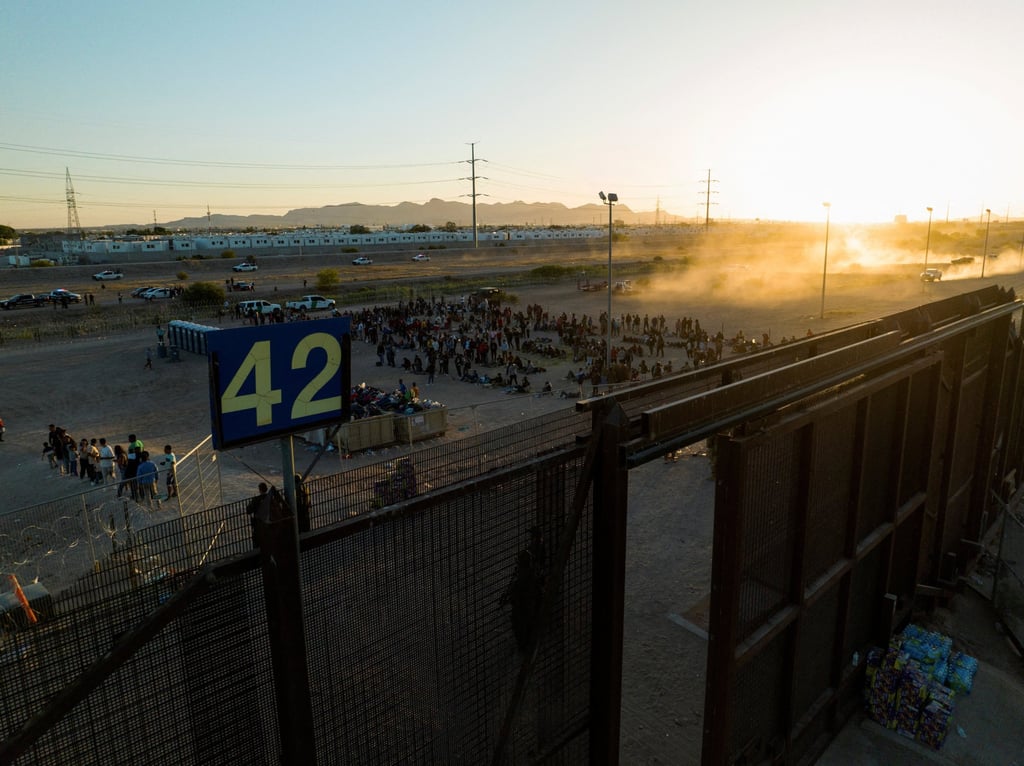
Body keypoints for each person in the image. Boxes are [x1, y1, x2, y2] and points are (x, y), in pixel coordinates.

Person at [246, 482, 271, 548]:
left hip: (258, 525)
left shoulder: (256, 500)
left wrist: (251, 502)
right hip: (270, 524)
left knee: (257, 543)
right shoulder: (270, 498)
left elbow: (248, 511)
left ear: (259, 490)